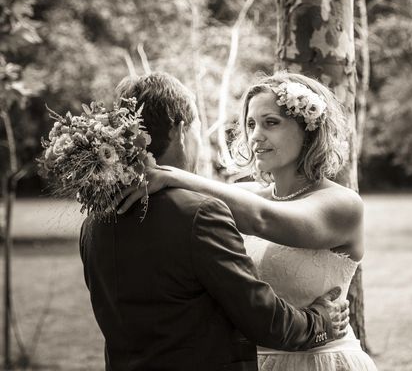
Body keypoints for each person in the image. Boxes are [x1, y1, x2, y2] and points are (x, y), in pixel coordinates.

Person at [80, 72, 350, 371]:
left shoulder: (96, 219)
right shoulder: (201, 213)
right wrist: (321, 320)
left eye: (270, 122)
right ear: (182, 130)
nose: (255, 134)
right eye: (251, 123)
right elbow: (267, 321)